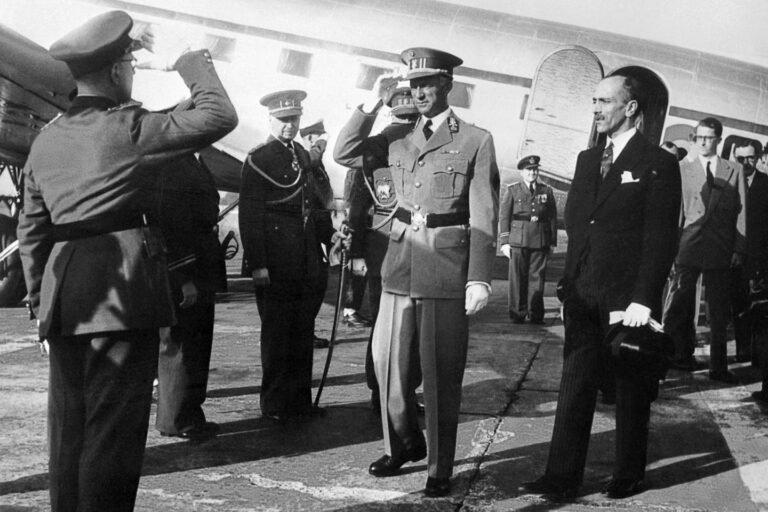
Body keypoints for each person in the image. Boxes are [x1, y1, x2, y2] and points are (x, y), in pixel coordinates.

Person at [16, 11, 237, 511]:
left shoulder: (47, 138)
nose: (133, 73)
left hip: (64, 298)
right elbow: (219, 116)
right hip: (123, 298)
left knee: (69, 430)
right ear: (117, 70)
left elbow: (33, 231)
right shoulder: (128, 129)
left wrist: (40, 304)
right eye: (131, 65)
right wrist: (184, 58)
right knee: (112, 436)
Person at [334, 48, 499, 498]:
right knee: (387, 366)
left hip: (445, 270)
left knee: (441, 376)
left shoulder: (474, 140)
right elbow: (344, 152)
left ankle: (439, 467)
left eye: (428, 84)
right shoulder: (395, 139)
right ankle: (404, 444)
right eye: (413, 85)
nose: (420, 93)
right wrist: (371, 102)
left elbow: (484, 214)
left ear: (447, 85)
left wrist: (479, 277)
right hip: (399, 265)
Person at [520, 74, 680, 500]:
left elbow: (661, 238)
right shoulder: (588, 159)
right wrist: (567, 286)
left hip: (627, 299)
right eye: (593, 100)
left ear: (630, 108)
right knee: (574, 386)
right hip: (583, 292)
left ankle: (628, 473)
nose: (595, 108)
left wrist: (644, 300)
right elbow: (578, 225)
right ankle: (561, 476)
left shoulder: (657, 163)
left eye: (605, 101)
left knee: (629, 388)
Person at [239, 90, 345, 422]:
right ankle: (274, 404)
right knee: (277, 335)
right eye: (284, 120)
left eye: (294, 119)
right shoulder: (259, 158)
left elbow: (314, 206)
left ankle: (299, 402)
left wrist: (331, 236)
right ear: (270, 119)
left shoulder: (301, 153)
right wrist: (258, 264)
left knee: (302, 331)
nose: (290, 125)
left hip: (307, 258)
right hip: (276, 260)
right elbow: (250, 216)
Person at [340, 85, 418, 411]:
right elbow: (345, 155)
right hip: (385, 247)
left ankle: (402, 392)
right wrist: (357, 253)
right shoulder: (377, 147)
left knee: (408, 325)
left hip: (413, 247)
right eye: (402, 119)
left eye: (409, 120)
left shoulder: (425, 144)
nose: (405, 126)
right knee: (387, 324)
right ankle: (382, 392)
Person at [662, 117, 746, 382]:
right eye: (699, 137)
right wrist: (672, 248)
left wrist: (739, 249)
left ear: (719, 139)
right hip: (689, 246)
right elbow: (676, 212)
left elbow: (742, 212)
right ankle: (670, 358)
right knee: (678, 306)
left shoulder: (734, 170)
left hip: (720, 248)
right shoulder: (682, 169)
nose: (703, 142)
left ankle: (718, 367)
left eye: (709, 138)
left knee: (718, 313)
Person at [154, 148, 226, 443]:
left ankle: (188, 415)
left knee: (196, 345)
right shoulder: (173, 163)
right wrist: (183, 278)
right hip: (188, 268)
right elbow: (171, 225)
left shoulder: (194, 160)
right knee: (181, 346)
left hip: (201, 265)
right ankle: (177, 419)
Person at [498, 155, 557, 324]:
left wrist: (552, 241)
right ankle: (518, 313)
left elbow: (551, 217)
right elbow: (504, 217)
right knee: (517, 278)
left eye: (535, 170)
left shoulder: (546, 191)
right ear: (522, 172)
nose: (532, 173)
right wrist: (505, 242)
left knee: (537, 278)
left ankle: (535, 313)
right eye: (529, 170)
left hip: (540, 240)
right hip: (518, 240)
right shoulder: (513, 190)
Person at [299, 119, 336, 348]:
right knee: (310, 284)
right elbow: (310, 160)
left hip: (319, 226)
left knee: (318, 283)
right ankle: (303, 334)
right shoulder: (303, 158)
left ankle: (306, 331)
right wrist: (320, 145)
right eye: (318, 138)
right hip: (306, 230)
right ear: (310, 138)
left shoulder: (317, 164)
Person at [730, 142, 768, 369]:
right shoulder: (729, 182)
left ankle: (758, 356)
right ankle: (742, 351)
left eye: (750, 158)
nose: (745, 163)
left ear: (758, 157)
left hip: (759, 258)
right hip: (733, 256)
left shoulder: (766, 184)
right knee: (738, 307)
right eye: (741, 158)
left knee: (759, 309)